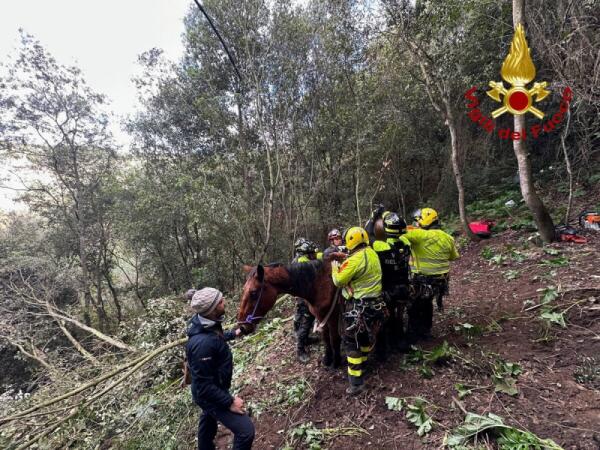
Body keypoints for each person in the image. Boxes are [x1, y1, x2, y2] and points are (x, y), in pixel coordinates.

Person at [186, 287, 255, 450]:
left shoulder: (205, 323)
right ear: (212, 308)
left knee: (208, 416)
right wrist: (230, 401)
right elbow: (204, 386)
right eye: (221, 301)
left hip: (209, 390)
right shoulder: (202, 345)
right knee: (246, 431)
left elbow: (217, 338)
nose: (224, 302)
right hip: (208, 394)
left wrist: (236, 332)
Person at [330, 226, 385, 395]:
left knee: (350, 341)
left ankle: (356, 383)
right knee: (366, 337)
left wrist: (334, 267)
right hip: (375, 305)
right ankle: (364, 364)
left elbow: (339, 281)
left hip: (357, 307)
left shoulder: (354, 260)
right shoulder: (372, 253)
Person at [403, 208, 459, 342]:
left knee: (414, 306)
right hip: (440, 281)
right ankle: (426, 331)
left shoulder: (419, 235)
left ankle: (413, 335)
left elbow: (398, 233)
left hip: (423, 280)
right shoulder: (448, 237)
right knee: (427, 304)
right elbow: (453, 256)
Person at [371, 212, 412, 356]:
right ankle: (400, 341)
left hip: (387, 288)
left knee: (385, 315)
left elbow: (370, 236)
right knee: (400, 315)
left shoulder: (381, 246)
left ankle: (383, 349)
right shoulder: (406, 243)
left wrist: (373, 218)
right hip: (404, 286)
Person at [292, 238, 317, 363]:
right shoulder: (302, 264)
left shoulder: (300, 261)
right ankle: (300, 349)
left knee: (305, 320)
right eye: (311, 253)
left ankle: (306, 338)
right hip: (304, 298)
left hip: (304, 295)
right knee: (306, 322)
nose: (314, 255)